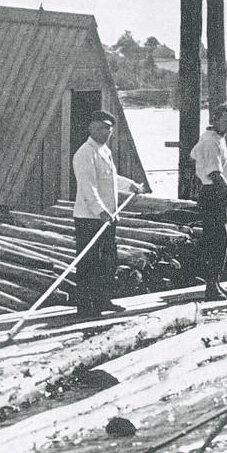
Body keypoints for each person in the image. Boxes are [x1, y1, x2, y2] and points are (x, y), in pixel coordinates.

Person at [72, 110, 145, 317]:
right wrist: (100, 211)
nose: (106, 132)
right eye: (102, 127)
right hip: (90, 218)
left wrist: (130, 185)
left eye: (109, 129)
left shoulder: (105, 151)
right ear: (91, 128)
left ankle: (103, 300)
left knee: (108, 261)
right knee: (89, 263)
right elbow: (88, 187)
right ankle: (86, 307)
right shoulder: (85, 153)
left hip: (107, 217)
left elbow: (110, 179)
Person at [190, 103, 227, 301]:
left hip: (221, 194)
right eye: (226, 121)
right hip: (213, 193)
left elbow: (192, 154)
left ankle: (216, 281)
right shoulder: (210, 141)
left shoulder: (217, 139)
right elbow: (215, 174)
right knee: (217, 241)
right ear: (215, 120)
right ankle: (211, 286)